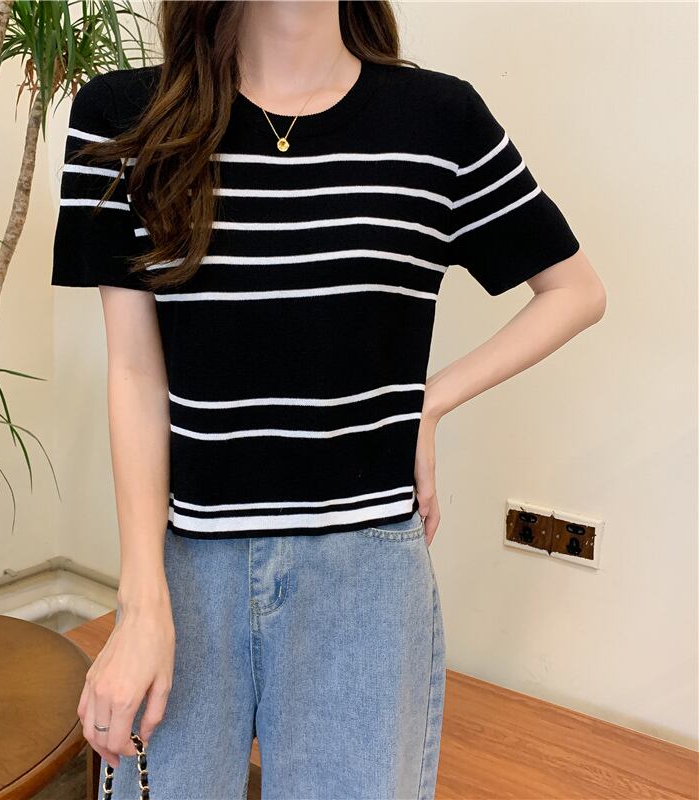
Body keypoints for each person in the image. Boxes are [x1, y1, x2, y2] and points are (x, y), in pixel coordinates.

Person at [51, 2, 605, 798]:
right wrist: (141, 602)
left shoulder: (439, 120)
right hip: (187, 566)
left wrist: (429, 402)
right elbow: (137, 372)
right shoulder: (124, 117)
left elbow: (575, 292)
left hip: (366, 576)